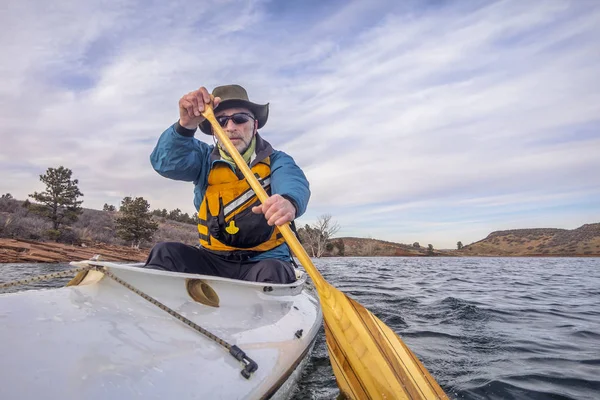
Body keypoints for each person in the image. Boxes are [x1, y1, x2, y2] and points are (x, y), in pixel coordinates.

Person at [146, 84, 310, 284]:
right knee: (165, 252)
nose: (230, 128)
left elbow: (293, 182)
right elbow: (165, 163)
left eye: (239, 119)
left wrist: (288, 201)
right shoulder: (203, 158)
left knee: (273, 272)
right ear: (214, 130)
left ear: (255, 125)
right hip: (213, 260)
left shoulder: (277, 160)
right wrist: (185, 125)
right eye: (221, 121)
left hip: (264, 261)